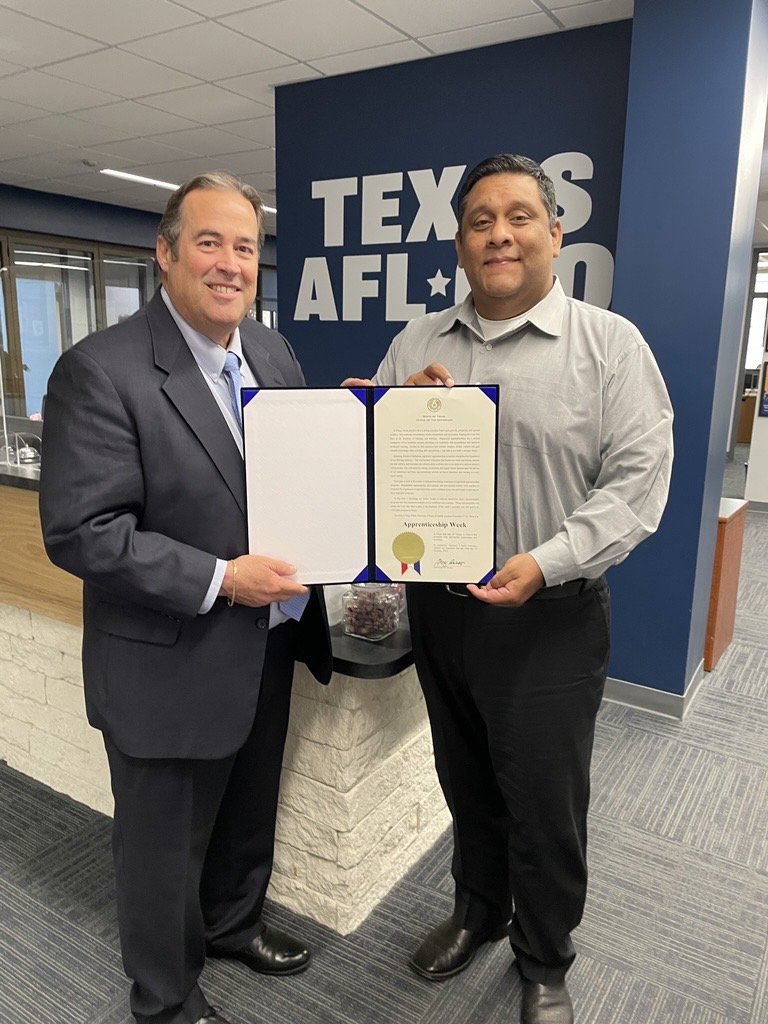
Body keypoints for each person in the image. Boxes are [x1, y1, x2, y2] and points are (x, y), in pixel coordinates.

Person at [346, 154, 673, 1024]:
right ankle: (478, 914)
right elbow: (368, 459)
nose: (499, 234)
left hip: (550, 619)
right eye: (480, 220)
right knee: (467, 783)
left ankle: (545, 958)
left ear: (555, 233)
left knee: (546, 803)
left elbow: (638, 483)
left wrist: (548, 559)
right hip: (441, 611)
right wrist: (382, 414)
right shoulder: (417, 343)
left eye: (519, 216)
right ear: (459, 242)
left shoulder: (610, 347)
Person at [39, 171, 332, 1024]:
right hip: (169, 658)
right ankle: (165, 1000)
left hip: (267, 638)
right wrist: (218, 579)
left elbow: (296, 464)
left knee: (247, 807)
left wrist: (355, 428)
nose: (230, 264)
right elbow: (83, 531)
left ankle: (236, 923)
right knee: (162, 847)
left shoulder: (271, 352)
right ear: (164, 253)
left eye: (245, 247)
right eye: (209, 242)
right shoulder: (100, 370)